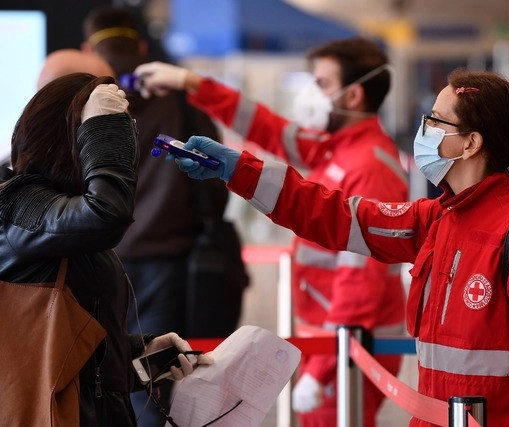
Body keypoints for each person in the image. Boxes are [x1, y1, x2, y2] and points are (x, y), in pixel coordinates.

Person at [150, 68, 509, 426]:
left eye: (436, 121)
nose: (423, 130)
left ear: (471, 144)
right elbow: (337, 215)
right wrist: (237, 170)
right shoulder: (437, 219)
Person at [134, 36, 407, 426]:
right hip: (330, 343)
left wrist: (320, 370)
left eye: (323, 84)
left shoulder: (369, 167)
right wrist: (191, 83)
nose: (312, 93)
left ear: (353, 96)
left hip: (350, 349)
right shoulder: (334, 148)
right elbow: (267, 126)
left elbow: (360, 284)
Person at [0, 73, 211, 426]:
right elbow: (108, 214)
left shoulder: (58, 214)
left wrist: (139, 353)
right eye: (107, 128)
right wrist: (108, 126)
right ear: (75, 136)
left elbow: (67, 358)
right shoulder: (15, 202)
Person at [81, 6, 247, 425]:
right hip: (168, 266)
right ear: (140, 45)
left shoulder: (79, 100)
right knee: (155, 381)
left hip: (95, 261)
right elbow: (215, 177)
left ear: (88, 47)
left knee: (92, 376)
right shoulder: (181, 101)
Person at [0, 49, 116, 282]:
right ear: (78, 102)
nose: (119, 101)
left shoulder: (11, 156)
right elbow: (108, 215)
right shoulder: (20, 189)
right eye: (107, 95)